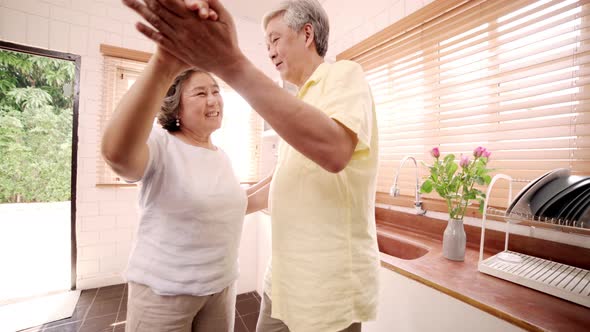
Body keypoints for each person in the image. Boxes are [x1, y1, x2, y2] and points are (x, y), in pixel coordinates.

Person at [122, 0, 380, 331]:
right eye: (266, 43)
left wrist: (230, 62)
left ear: (306, 34)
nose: (269, 50)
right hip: (283, 279)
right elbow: (282, 181)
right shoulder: (297, 103)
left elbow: (334, 151)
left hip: (325, 287)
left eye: (275, 39)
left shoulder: (345, 74)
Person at [100, 46, 268, 331]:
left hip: (221, 288)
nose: (214, 99)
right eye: (201, 93)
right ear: (175, 105)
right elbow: (118, 155)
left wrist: (293, 165)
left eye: (216, 91)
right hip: (164, 295)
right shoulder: (160, 143)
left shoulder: (220, 156)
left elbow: (238, 205)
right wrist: (162, 64)